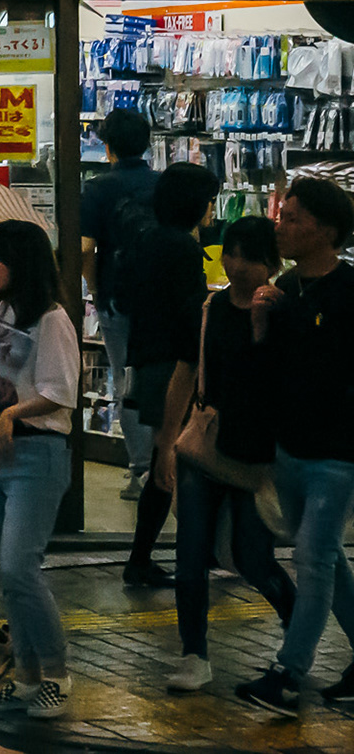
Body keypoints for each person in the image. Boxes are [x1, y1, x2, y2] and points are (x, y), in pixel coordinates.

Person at [163, 209, 290, 698]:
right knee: (190, 551)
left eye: (251, 257)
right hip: (206, 441)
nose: (238, 265)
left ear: (272, 263)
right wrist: (165, 443)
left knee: (252, 557)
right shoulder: (208, 309)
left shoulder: (282, 311)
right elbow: (185, 373)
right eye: (232, 253)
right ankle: (194, 654)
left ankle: (296, 625)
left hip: (258, 451)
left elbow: (282, 379)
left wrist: (264, 322)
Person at [241, 175, 354, 717]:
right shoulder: (285, 289)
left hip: (337, 453)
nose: (280, 227)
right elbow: (270, 372)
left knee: (312, 559)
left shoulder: (349, 293)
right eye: (281, 217)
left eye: (292, 219)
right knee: (326, 559)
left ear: (326, 231)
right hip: (290, 450)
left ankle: (288, 674)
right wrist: (263, 324)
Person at [0, 217, 81, 717]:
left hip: (35, 453)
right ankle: (27, 677)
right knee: (8, 574)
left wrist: (13, 413)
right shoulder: (2, 309)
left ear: (22, 262)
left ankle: (56, 673)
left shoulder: (52, 319)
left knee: (19, 567)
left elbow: (61, 394)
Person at [110, 161, 215, 592]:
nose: (211, 209)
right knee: (171, 459)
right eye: (208, 200)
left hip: (147, 356)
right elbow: (190, 315)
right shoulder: (183, 248)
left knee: (165, 457)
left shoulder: (147, 238)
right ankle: (147, 558)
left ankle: (148, 557)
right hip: (174, 365)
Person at [76, 104, 160, 499]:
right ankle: (166, 463)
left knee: (126, 380)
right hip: (164, 298)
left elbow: (85, 248)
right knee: (167, 376)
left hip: (117, 300)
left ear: (107, 146)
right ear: (147, 144)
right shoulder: (165, 184)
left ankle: (141, 469)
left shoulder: (98, 188)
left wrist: (95, 288)